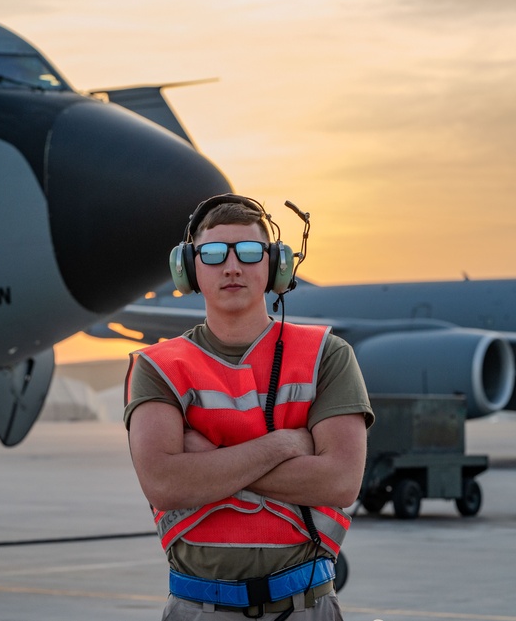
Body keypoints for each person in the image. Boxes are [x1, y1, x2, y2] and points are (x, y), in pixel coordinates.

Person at [125, 194, 374, 621]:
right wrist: (281, 446)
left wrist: (210, 462)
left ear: (276, 265)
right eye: (214, 253)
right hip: (197, 608)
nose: (233, 266)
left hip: (307, 606)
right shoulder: (157, 366)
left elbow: (340, 482)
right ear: (189, 268)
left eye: (250, 252)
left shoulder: (326, 355)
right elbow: (165, 484)